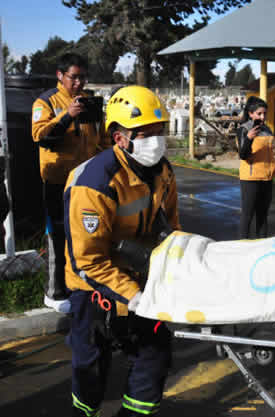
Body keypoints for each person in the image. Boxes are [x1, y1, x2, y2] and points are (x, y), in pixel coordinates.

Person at [63, 86, 179, 417]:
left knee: (154, 357)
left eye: (159, 131)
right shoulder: (95, 183)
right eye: (144, 133)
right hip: (95, 289)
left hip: (140, 280)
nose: (155, 140)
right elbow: (88, 262)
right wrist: (133, 296)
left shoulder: (163, 172)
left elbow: (172, 230)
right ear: (119, 137)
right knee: (91, 371)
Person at [31, 52, 110, 313]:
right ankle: (54, 292)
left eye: (83, 77)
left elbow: (100, 138)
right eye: (74, 77)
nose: (79, 83)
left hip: (85, 183)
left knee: (84, 235)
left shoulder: (88, 102)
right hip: (57, 181)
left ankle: (79, 283)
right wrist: (66, 116)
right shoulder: (47, 101)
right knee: (57, 235)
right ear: (60, 75)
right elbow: (41, 136)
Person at [237, 97, 275, 238]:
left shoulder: (268, 129)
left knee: (263, 215)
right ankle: (242, 245)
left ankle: (262, 244)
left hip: (267, 177)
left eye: (264, 113)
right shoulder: (244, 129)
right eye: (259, 114)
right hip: (250, 178)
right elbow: (243, 155)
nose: (263, 117)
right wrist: (248, 138)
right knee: (247, 214)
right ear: (250, 114)